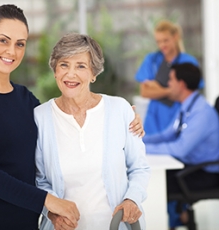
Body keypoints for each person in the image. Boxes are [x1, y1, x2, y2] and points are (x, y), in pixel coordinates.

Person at [0, 5, 144, 230]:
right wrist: (50, 203)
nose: (11, 50)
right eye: (3, 40)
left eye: (20, 43)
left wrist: (128, 118)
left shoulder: (27, 100)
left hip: (26, 223)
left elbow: (57, 132)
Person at [34, 33, 151, 230]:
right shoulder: (40, 117)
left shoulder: (120, 109)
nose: (70, 74)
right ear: (54, 70)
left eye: (80, 66)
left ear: (94, 73)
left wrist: (132, 200)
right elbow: (39, 179)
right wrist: (52, 213)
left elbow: (139, 168)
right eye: (64, 65)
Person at [142, 63, 219, 229]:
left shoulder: (201, 113)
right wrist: (138, 140)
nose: (168, 84)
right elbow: (168, 134)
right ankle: (180, 216)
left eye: (171, 80)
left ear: (181, 84)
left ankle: (174, 220)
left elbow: (179, 148)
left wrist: (142, 149)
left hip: (203, 173)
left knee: (150, 183)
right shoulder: (187, 106)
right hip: (191, 166)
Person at [135, 19, 201, 135]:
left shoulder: (188, 62)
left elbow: (191, 94)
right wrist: (172, 90)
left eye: (165, 40)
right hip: (153, 118)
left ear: (175, 37)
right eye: (158, 42)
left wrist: (156, 86)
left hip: (178, 114)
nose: (162, 45)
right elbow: (145, 92)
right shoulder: (152, 60)